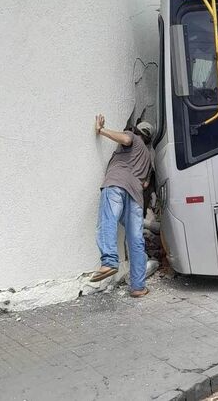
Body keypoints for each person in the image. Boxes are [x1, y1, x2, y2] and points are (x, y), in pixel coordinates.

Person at [90, 114, 154, 297]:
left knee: (108, 220)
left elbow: (125, 138)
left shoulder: (132, 137)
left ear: (138, 131)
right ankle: (138, 287)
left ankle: (109, 261)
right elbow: (145, 185)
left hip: (116, 185)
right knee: (135, 239)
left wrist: (101, 130)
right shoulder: (148, 158)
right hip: (135, 194)